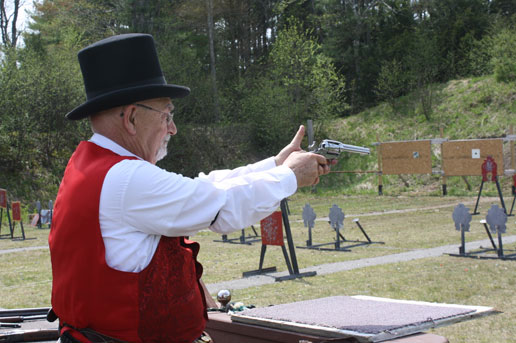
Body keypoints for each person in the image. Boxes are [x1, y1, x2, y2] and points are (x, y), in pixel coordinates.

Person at [49, 33, 332, 343]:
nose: (172, 128)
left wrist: (275, 166)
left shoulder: (98, 168)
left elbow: (202, 189)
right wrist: (290, 177)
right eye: (167, 115)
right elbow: (221, 208)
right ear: (131, 117)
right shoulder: (128, 178)